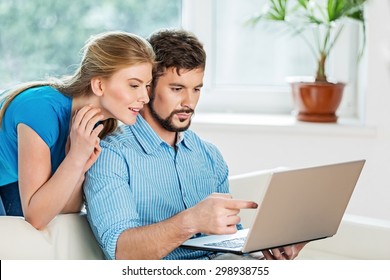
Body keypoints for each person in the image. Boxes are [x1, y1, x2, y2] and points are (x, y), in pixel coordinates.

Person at [84, 29, 306, 260]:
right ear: (148, 88)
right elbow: (122, 253)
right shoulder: (111, 154)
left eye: (196, 89)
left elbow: (228, 238)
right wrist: (191, 221)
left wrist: (265, 250)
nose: (189, 103)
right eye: (177, 89)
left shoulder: (209, 155)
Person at [0, 31, 155, 230]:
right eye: (134, 85)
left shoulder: (96, 125)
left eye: (147, 86)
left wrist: (79, 165)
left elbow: (66, 210)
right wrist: (75, 157)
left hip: (10, 177)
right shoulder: (40, 111)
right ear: (99, 85)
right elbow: (36, 219)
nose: (145, 97)